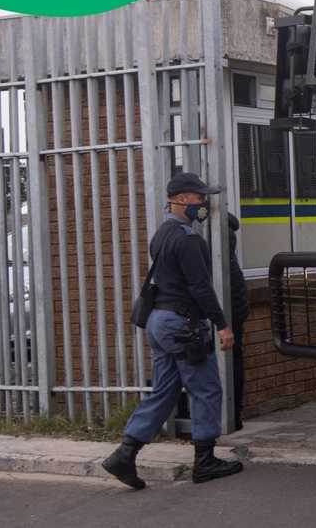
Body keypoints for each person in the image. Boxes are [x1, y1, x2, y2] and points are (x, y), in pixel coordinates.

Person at [102, 172, 243, 489]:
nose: (203, 203)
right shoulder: (188, 239)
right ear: (181, 200)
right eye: (198, 197)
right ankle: (204, 462)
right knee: (206, 388)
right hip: (182, 326)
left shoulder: (162, 234)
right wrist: (222, 325)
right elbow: (201, 288)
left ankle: (124, 455)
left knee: (164, 392)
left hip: (159, 322)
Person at [227, 213, 249, 431]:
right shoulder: (227, 225)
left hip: (230, 305)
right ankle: (234, 413)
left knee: (231, 361)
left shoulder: (218, 229)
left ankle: (231, 414)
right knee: (235, 359)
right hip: (237, 301)